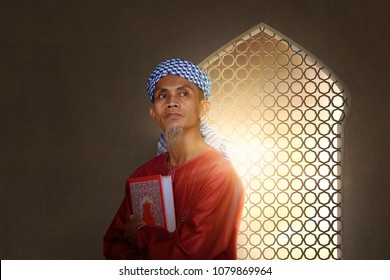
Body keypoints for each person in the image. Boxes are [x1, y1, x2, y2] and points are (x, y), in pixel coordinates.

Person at [103, 58, 245, 259]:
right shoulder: (144, 175)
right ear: (154, 113)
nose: (171, 102)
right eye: (162, 95)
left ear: (202, 108)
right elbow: (114, 243)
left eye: (184, 93)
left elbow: (193, 254)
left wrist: (139, 233)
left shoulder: (219, 173)